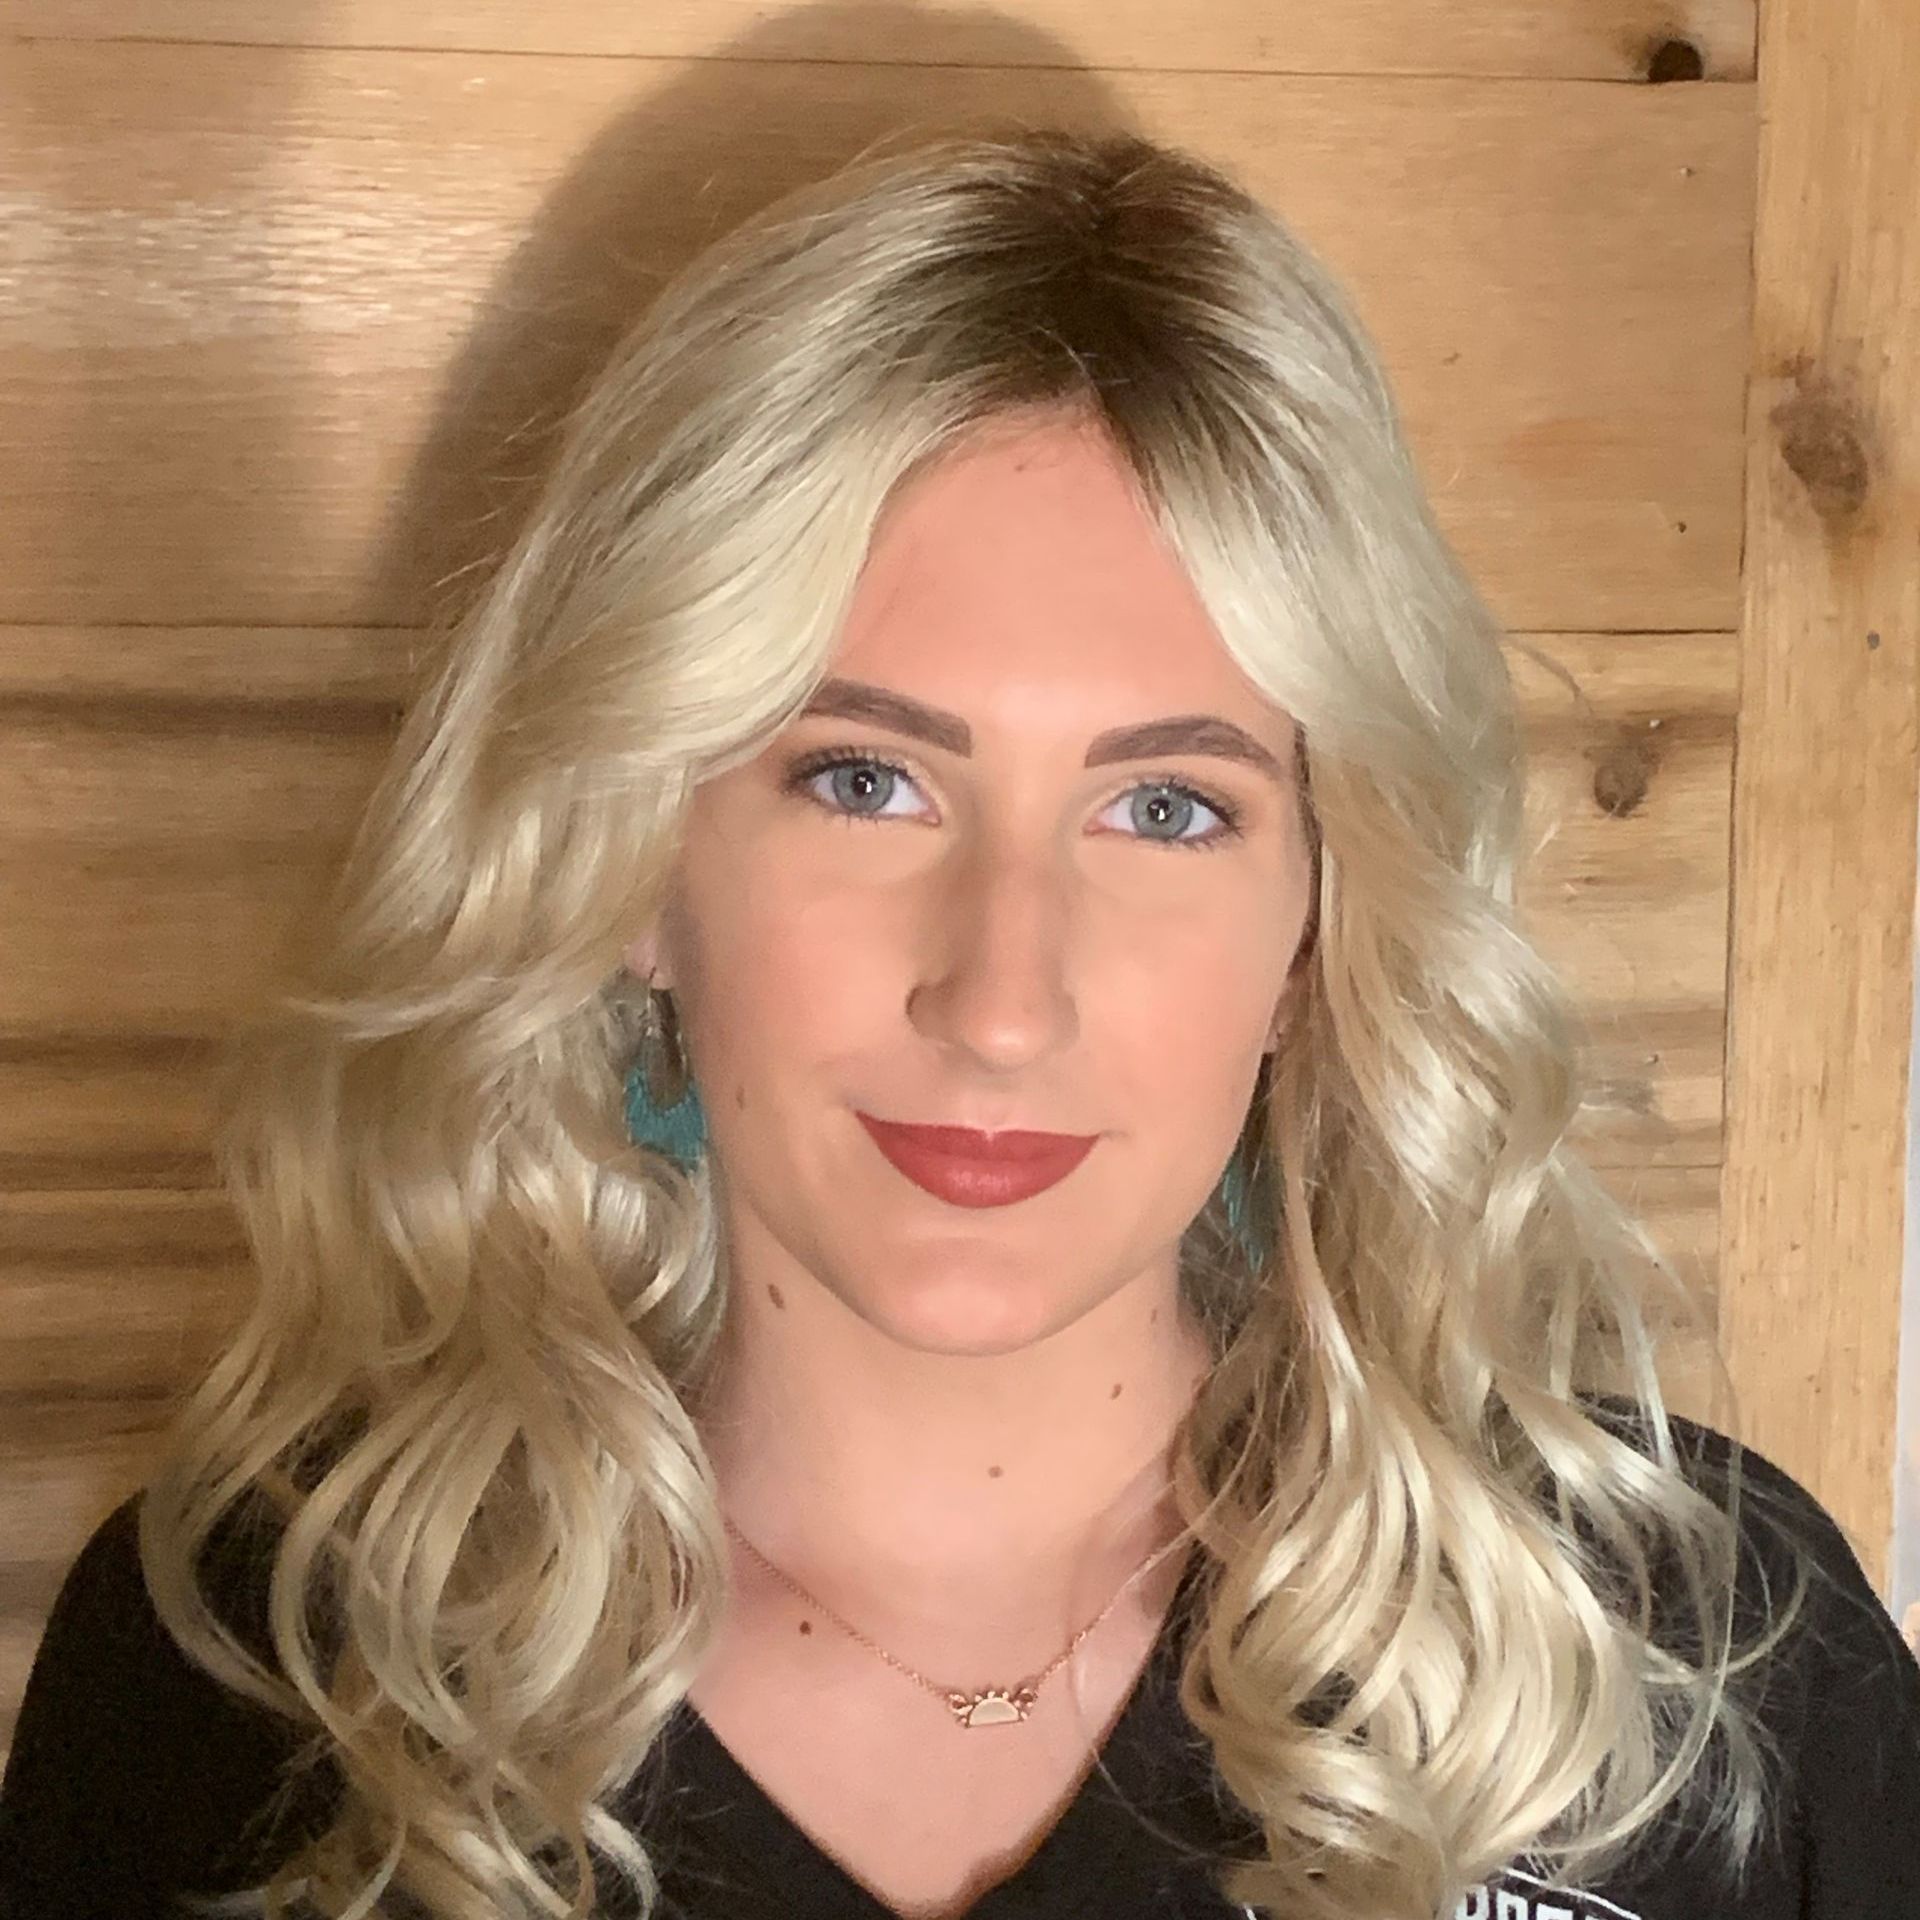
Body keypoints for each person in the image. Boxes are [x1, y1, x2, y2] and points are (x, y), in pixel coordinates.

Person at [2, 126, 1916, 1920]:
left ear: (1320, 917)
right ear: (638, 859)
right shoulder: (253, 1670)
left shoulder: (1704, 1658)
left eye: (1167, 807)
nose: (999, 1000)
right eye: (862, 781)